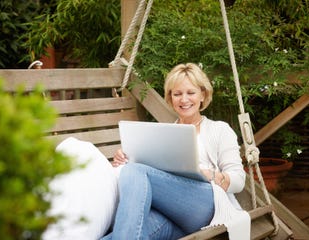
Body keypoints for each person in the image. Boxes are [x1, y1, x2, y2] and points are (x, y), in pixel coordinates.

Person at [102, 63, 246, 239]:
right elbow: (150, 173)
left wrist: (211, 175)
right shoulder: (162, 135)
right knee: (128, 232)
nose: (184, 100)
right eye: (177, 94)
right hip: (172, 214)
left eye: (190, 93)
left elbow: (239, 180)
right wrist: (126, 159)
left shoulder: (220, 130)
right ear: (170, 98)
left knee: (134, 171)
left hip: (207, 205)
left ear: (203, 94)